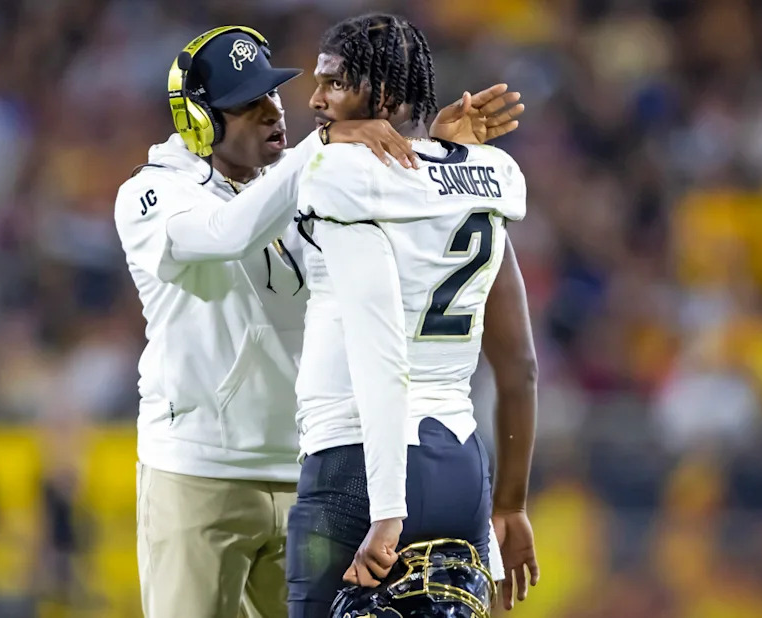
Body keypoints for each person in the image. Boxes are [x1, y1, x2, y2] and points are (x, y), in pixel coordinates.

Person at [114, 25, 524, 618]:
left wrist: (435, 154)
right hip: (200, 469)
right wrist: (328, 144)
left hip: (310, 466)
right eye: (246, 104)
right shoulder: (153, 193)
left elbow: (399, 240)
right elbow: (227, 233)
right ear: (199, 120)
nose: (272, 112)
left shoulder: (314, 177)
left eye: (272, 93)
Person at [287, 13, 540, 616]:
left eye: (336, 84)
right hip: (459, 469)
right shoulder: (485, 178)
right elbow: (521, 367)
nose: (316, 100)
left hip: (357, 465)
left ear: (388, 97)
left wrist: (325, 144)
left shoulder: (338, 173)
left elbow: (254, 213)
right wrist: (510, 504)